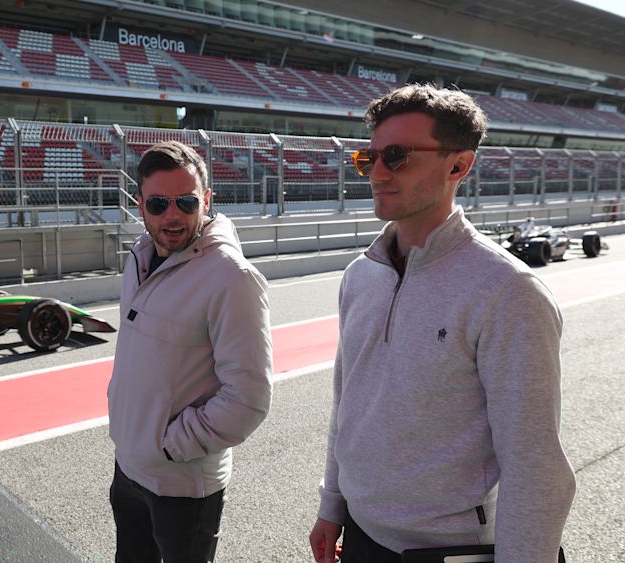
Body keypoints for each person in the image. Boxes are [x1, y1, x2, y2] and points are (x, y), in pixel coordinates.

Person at [309, 84, 575, 563]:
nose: (378, 174)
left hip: (450, 550)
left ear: (459, 165)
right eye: (369, 159)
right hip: (363, 535)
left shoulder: (508, 291)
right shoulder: (359, 275)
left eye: (397, 156)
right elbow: (346, 403)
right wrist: (333, 503)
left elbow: (535, 468)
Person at [107, 140, 273, 562]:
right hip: (128, 468)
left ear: (207, 200)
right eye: (159, 203)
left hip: (182, 486)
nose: (173, 215)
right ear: (139, 204)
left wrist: (171, 446)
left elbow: (249, 399)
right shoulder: (140, 257)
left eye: (186, 201)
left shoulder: (231, 278)